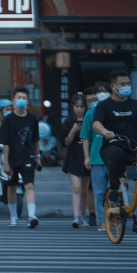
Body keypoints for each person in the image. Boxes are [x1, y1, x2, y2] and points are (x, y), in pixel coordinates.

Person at [92, 69, 137, 205]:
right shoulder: (103, 106)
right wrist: (105, 132)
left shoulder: (136, 105)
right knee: (117, 152)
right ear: (113, 86)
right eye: (122, 84)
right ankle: (114, 188)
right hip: (111, 148)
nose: (126, 86)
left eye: (128, 83)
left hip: (133, 150)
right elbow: (96, 123)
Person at [0, 86, 41, 228]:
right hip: (12, 159)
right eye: (19, 98)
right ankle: (13, 216)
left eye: (24, 98)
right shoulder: (8, 120)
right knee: (12, 187)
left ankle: (31, 216)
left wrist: (38, 158)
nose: (21, 100)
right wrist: (5, 162)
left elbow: (35, 140)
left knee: (29, 185)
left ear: (27, 100)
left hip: (28, 157)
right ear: (13, 100)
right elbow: (5, 143)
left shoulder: (32, 119)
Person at [81, 81, 112, 231]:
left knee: (115, 190)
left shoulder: (115, 110)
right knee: (99, 192)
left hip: (114, 157)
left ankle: (114, 219)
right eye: (99, 91)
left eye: (104, 90)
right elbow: (85, 137)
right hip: (96, 158)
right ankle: (102, 221)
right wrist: (86, 156)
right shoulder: (90, 114)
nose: (102, 93)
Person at [61, 94, 90, 228]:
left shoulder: (90, 120)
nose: (79, 109)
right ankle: (76, 216)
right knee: (76, 187)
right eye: (77, 106)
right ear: (72, 107)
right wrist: (73, 130)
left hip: (86, 157)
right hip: (73, 158)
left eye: (82, 106)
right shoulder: (68, 122)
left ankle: (83, 215)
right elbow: (65, 143)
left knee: (84, 189)